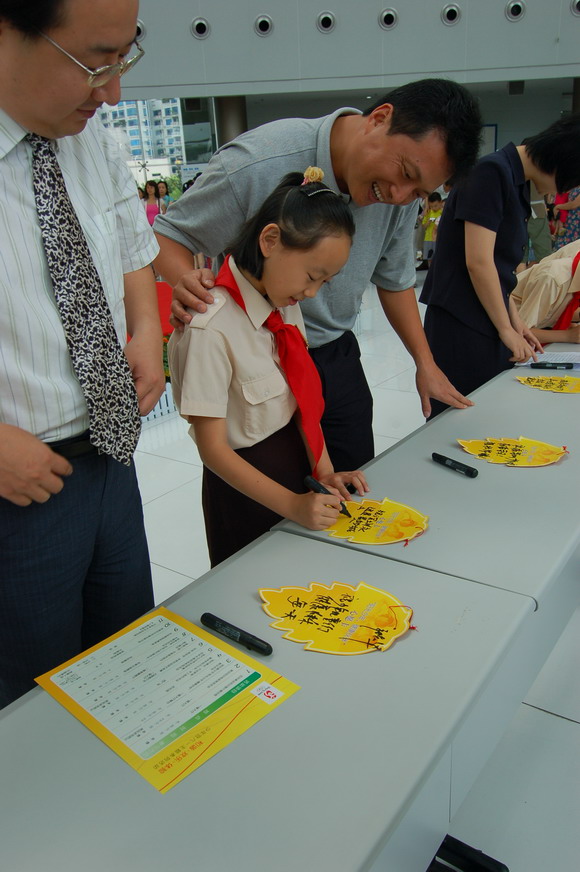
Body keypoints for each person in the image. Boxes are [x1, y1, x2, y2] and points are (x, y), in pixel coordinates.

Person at [154, 79, 483, 471]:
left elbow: (395, 282)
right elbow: (168, 234)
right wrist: (192, 287)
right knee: (270, 480)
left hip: (334, 354)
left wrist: (424, 362)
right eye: (405, 171)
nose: (398, 195)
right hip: (256, 359)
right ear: (380, 118)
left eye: (417, 191)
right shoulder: (258, 162)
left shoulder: (400, 198)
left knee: (353, 481)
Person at [0, 0, 165, 708]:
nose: (113, 91)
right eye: (95, 63)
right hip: (16, 490)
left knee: (127, 666)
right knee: (31, 702)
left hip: (110, 461)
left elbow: (130, 244)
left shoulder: (89, 136)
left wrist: (147, 329)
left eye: (124, 60)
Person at [169, 168, 369, 566]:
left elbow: (300, 403)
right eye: (312, 276)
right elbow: (213, 449)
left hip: (299, 467)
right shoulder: (210, 327)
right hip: (244, 489)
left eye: (325, 282)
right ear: (270, 240)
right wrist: (293, 505)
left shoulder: (284, 305)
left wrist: (325, 472)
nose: (311, 292)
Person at [420, 115, 580, 418]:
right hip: (460, 320)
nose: (553, 195)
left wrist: (516, 323)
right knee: (461, 416)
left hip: (485, 314)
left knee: (488, 411)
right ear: (559, 162)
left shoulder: (514, 181)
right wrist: (506, 329)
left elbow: (497, 269)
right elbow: (478, 262)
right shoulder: (491, 172)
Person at [511, 240, 580, 345]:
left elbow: (555, 309)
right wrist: (568, 336)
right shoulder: (553, 279)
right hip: (500, 330)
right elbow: (520, 333)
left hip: (537, 323)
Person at [416, 191, 443, 270]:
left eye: (435, 206)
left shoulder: (443, 212)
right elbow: (424, 226)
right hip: (428, 238)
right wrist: (428, 222)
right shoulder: (428, 212)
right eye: (432, 206)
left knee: (439, 257)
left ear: (440, 202)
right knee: (429, 257)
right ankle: (430, 271)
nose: (434, 208)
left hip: (439, 238)